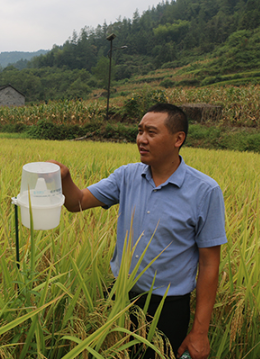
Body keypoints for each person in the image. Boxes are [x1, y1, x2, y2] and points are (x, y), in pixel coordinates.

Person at [50, 103, 226, 359]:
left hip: (167, 308)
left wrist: (200, 332)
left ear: (178, 139)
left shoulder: (205, 191)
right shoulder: (127, 176)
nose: (141, 139)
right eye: (140, 131)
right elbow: (77, 202)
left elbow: (210, 263)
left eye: (151, 132)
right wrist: (63, 178)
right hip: (119, 297)